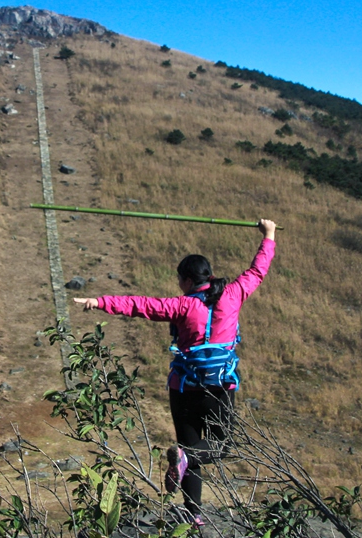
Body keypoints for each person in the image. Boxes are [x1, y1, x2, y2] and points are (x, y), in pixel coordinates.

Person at [75, 219, 277, 526]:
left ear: (186, 281)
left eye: (179, 280)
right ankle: (187, 471)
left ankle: (193, 515)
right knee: (220, 445)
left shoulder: (181, 307)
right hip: (219, 387)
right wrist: (269, 235)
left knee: (188, 449)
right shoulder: (234, 294)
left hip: (183, 388)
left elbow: (140, 305)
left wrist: (99, 301)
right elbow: (257, 270)